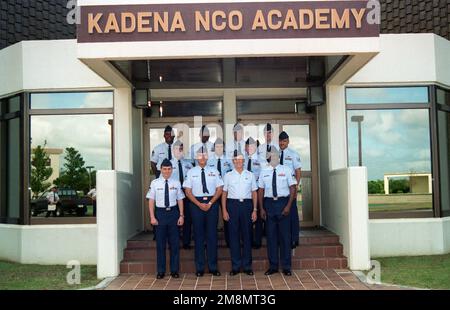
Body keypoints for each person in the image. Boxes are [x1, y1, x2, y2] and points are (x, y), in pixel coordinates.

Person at [183, 147, 223, 277]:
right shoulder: (191, 172)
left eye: (204, 154)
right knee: (199, 236)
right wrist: (199, 204)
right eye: (200, 155)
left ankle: (213, 267)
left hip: (212, 203)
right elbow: (187, 191)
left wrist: (210, 203)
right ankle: (199, 268)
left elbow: (219, 189)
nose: (202, 157)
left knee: (212, 236)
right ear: (196, 157)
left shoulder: (214, 171)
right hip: (196, 204)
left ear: (207, 156)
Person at [258, 148, 297, 276]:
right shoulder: (264, 171)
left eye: (275, 155)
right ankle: (273, 266)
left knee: (285, 237)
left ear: (278, 156)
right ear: (268, 156)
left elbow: (292, 188)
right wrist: (262, 208)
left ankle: (286, 267)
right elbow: (261, 191)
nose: (273, 157)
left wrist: (288, 206)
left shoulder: (286, 170)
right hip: (269, 204)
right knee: (271, 237)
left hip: (283, 203)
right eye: (270, 155)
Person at [147, 159, 185, 279]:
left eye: (169, 169)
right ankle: (161, 271)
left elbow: (180, 199)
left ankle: (174, 270)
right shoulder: (155, 183)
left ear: (172, 170)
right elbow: (151, 201)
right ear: (160, 169)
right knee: (160, 244)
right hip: (160, 214)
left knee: (174, 244)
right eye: (164, 169)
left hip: (173, 214)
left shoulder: (176, 182)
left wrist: (181, 215)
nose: (167, 171)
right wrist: (152, 217)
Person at [222, 150, 257, 276]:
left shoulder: (250, 175)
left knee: (247, 236)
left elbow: (254, 193)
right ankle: (236, 266)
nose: (238, 162)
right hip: (232, 205)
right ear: (233, 161)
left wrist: (255, 210)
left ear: (244, 161)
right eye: (236, 159)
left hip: (247, 206)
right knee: (234, 236)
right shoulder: (228, 176)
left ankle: (247, 266)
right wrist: (224, 210)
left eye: (241, 159)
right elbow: (224, 193)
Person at [278, 131, 302, 249]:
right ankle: (283, 238)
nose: (282, 143)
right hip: (280, 188)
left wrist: (296, 187)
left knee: (292, 213)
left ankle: (294, 239)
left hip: (290, 187)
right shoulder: (275, 154)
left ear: (288, 141)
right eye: (281, 141)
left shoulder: (293, 154)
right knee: (283, 213)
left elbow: (298, 172)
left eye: (284, 141)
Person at [208, 137, 233, 247]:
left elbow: (233, 173)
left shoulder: (228, 159)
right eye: (217, 146)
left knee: (227, 215)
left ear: (224, 148)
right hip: (213, 192)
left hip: (226, 191)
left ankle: (229, 240)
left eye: (221, 146)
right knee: (212, 217)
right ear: (214, 148)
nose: (219, 148)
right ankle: (212, 240)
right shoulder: (209, 160)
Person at [170, 140, 194, 249]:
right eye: (177, 149)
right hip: (173, 194)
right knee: (174, 218)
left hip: (186, 193)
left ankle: (186, 242)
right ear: (173, 150)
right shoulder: (168, 164)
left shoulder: (188, 164)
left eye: (181, 149)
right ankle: (173, 242)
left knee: (187, 218)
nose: (179, 151)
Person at [244, 137, 264, 249]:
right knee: (247, 216)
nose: (249, 148)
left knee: (258, 216)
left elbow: (264, 175)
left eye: (251, 146)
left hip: (257, 189)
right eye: (247, 146)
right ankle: (248, 240)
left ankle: (257, 240)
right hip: (245, 191)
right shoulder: (242, 159)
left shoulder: (261, 160)